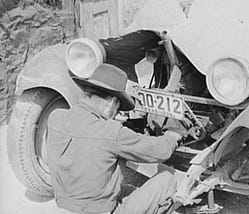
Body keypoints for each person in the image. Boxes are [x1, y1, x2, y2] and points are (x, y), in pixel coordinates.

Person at [47, 63, 186, 214]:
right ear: (112, 103)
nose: (117, 114)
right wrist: (173, 136)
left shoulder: (55, 117)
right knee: (168, 179)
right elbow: (159, 151)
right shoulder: (112, 133)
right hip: (99, 211)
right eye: (118, 109)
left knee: (128, 190)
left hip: (65, 206)